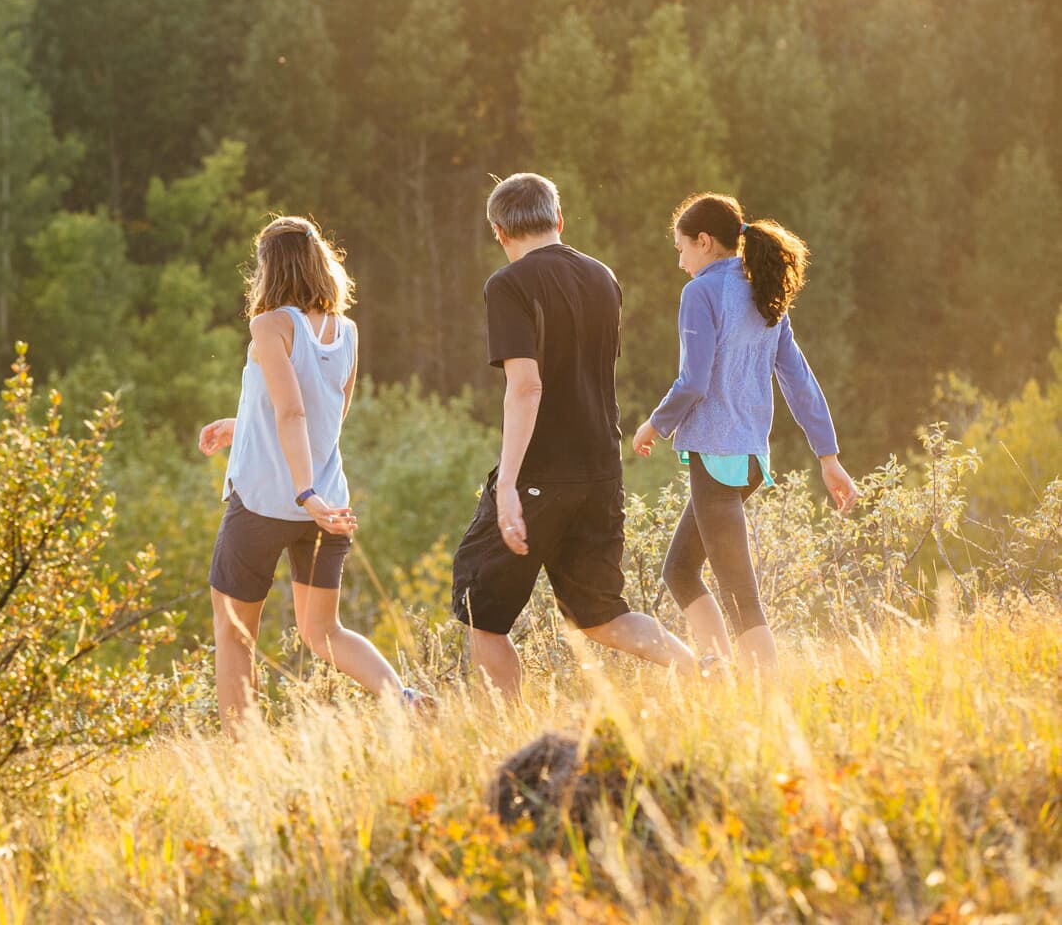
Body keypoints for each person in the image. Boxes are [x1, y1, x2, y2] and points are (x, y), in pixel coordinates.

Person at [451, 173, 699, 699]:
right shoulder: (603, 277)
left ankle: (505, 729)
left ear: (500, 232)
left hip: (542, 473)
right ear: (559, 220)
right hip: (601, 470)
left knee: (480, 609)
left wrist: (507, 485)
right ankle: (702, 673)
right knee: (601, 614)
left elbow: (526, 387)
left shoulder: (508, 285)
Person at [197, 215, 425, 729]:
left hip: (266, 502)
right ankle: (405, 700)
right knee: (324, 632)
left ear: (268, 268)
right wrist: (243, 426)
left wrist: (303, 493)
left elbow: (293, 412)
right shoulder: (346, 331)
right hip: (329, 505)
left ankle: (243, 751)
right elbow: (326, 415)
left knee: (234, 634)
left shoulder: (269, 325)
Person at [631, 192, 859, 677]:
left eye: (681, 249)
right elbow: (799, 380)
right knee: (679, 570)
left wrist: (655, 424)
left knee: (740, 594)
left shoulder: (701, 293)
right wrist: (829, 457)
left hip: (715, 457)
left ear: (704, 241)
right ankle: (717, 671)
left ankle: (768, 695)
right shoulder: (762, 290)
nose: (680, 262)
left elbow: (693, 381)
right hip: (751, 460)